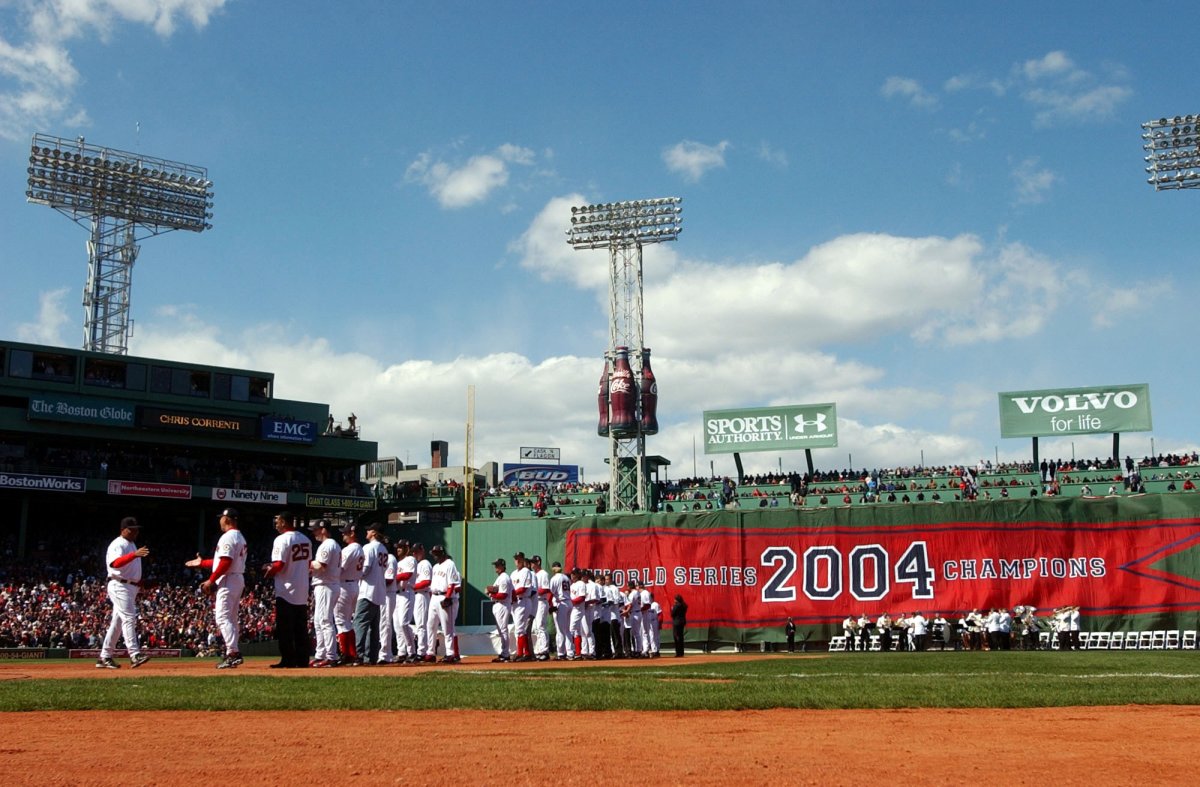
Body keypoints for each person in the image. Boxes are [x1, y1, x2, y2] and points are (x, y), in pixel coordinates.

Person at [186, 508, 247, 669]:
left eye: (222, 518)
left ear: (227, 519)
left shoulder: (228, 536)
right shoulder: (239, 536)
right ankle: (231, 652)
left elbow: (225, 562)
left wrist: (211, 580)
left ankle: (233, 653)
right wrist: (202, 563)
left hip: (228, 578)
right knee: (231, 619)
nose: (219, 520)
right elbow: (221, 561)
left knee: (222, 617)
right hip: (237, 577)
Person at [97, 516, 151, 669]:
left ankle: (104, 657)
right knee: (129, 617)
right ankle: (135, 655)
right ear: (123, 530)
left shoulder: (132, 544)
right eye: (131, 529)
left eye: (136, 529)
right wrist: (134, 555)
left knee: (117, 623)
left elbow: (130, 571)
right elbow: (115, 563)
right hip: (119, 585)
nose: (135, 532)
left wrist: (142, 584)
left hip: (130, 586)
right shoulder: (118, 543)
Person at [263, 511, 312, 669]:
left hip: (286, 589)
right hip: (302, 589)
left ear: (284, 522)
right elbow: (309, 562)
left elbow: (279, 565)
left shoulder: (281, 539)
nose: (276, 524)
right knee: (301, 629)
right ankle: (303, 660)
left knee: (285, 628)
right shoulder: (306, 539)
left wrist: (267, 571)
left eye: (278, 521)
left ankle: (288, 659)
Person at [309, 520, 342, 667]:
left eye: (316, 530)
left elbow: (320, 566)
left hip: (326, 585)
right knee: (318, 621)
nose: (314, 532)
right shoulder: (330, 544)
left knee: (325, 621)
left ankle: (331, 656)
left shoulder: (328, 544)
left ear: (323, 530)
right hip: (325, 584)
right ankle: (320, 654)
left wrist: (305, 562)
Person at [354, 523, 389, 665]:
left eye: (369, 530)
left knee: (360, 623)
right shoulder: (384, 548)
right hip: (379, 590)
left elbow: (365, 568)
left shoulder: (369, 547)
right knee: (373, 628)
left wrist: (355, 575)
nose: (366, 532)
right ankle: (371, 657)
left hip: (368, 590)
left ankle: (358, 655)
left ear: (374, 533)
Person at [335, 525, 364, 665]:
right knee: (347, 622)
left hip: (344, 585)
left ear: (352, 533)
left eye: (345, 533)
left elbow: (339, 568)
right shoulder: (360, 549)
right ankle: (352, 654)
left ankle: (346, 654)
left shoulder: (350, 549)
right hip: (354, 584)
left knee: (341, 621)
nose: (343, 535)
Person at [428, 545, 461, 663]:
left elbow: (452, 583)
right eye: (434, 553)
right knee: (430, 625)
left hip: (444, 596)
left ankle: (450, 653)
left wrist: (447, 598)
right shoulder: (435, 566)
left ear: (442, 553)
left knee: (447, 627)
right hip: (434, 597)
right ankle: (430, 652)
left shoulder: (450, 564)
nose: (435, 555)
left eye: (437, 553)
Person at [393, 540, 417, 664]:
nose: (398, 549)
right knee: (397, 626)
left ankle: (412, 652)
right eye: (397, 547)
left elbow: (407, 575)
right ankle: (401, 652)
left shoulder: (410, 560)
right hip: (397, 595)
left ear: (407, 548)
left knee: (404, 623)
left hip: (407, 592)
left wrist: (393, 578)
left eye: (401, 547)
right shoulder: (398, 563)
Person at [486, 558, 513, 662]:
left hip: (502, 605)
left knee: (503, 630)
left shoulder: (504, 577)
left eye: (497, 565)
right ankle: (504, 653)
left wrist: (490, 593)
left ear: (502, 566)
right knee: (501, 630)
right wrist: (491, 591)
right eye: (495, 565)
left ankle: (505, 654)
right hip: (499, 605)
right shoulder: (500, 577)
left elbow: (503, 595)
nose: (496, 567)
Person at [510, 552, 534, 661]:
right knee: (519, 629)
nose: (517, 561)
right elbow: (510, 589)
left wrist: (511, 594)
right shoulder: (513, 573)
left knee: (520, 628)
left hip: (523, 601)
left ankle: (520, 654)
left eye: (519, 558)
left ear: (523, 560)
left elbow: (523, 588)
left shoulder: (526, 572)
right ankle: (526, 653)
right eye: (516, 559)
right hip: (515, 602)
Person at [411, 542, 433, 662]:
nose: (414, 554)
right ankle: (422, 650)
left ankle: (421, 651)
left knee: (421, 625)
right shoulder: (418, 564)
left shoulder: (425, 563)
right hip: (417, 595)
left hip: (422, 595)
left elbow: (426, 581)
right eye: (413, 552)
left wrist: (412, 587)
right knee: (420, 624)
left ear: (422, 551)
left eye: (416, 551)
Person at [548, 561, 574, 660]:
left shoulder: (555, 578)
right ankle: (570, 653)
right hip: (569, 602)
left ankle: (561, 653)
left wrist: (549, 605)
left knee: (560, 631)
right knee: (567, 630)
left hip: (561, 603)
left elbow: (550, 593)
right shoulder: (566, 577)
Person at [531, 555, 552, 661]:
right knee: (535, 628)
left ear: (538, 562)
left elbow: (545, 589)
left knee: (541, 626)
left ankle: (545, 651)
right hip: (535, 602)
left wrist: (532, 592)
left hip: (541, 602)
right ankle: (539, 650)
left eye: (533, 562)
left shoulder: (543, 574)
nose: (532, 564)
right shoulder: (534, 574)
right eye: (531, 562)